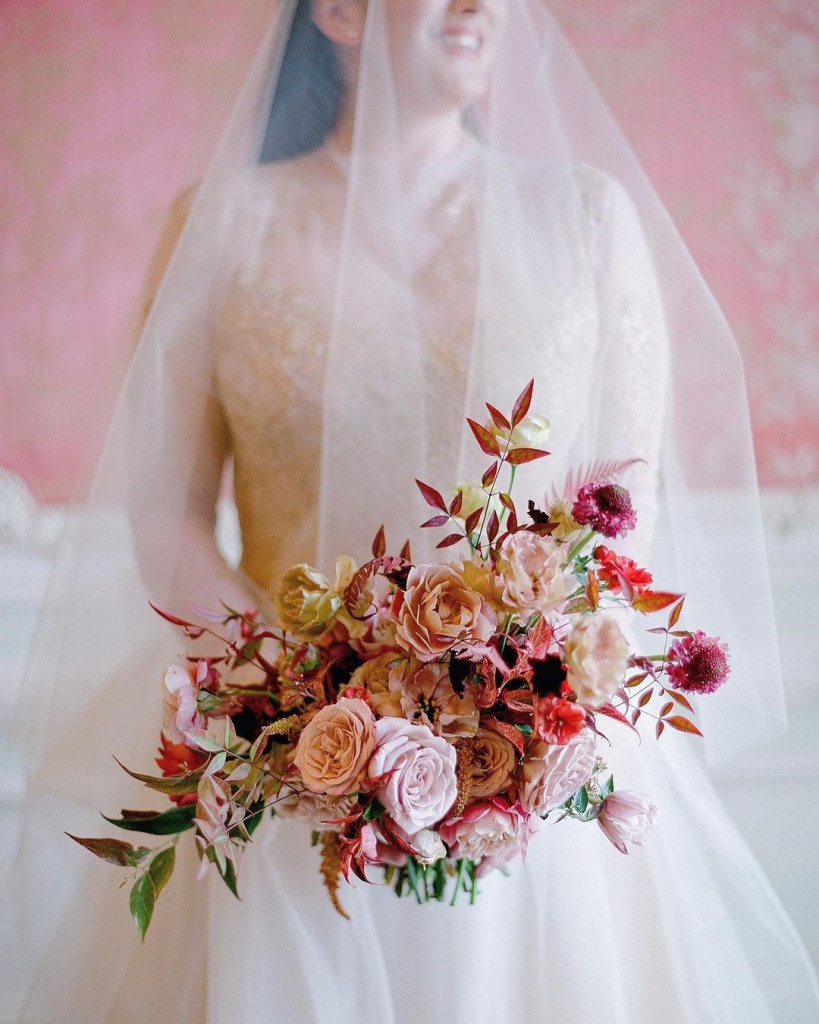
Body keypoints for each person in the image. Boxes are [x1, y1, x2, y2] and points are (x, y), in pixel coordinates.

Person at [9, 1, 819, 1021]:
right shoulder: (219, 225)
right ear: (342, 11)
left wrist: (522, 680)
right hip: (291, 769)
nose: (481, 7)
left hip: (532, 766)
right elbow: (165, 514)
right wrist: (300, 698)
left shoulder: (586, 214)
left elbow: (627, 486)